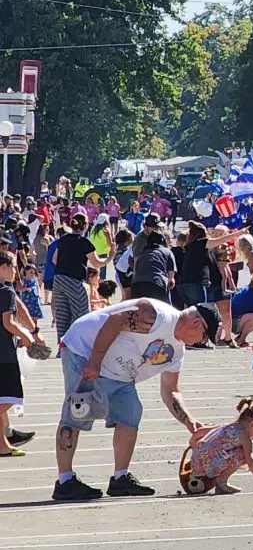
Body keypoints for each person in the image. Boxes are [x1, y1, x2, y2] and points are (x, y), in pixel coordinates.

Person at [51, 298, 220, 501]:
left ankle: (120, 478)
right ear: (196, 323)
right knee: (78, 411)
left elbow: (170, 390)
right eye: (203, 337)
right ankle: (65, 481)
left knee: (130, 413)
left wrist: (188, 420)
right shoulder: (156, 316)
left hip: (120, 373)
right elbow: (115, 321)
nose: (200, 342)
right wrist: (94, 361)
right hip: (84, 349)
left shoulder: (177, 352)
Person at [0, 252, 44, 457]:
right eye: (11, 267)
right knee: (11, 396)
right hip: (4, 354)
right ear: (2, 268)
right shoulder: (5, 292)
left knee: (2, 399)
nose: (14, 271)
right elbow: (8, 322)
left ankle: (3, 445)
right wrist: (27, 336)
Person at [188, 397, 253, 494]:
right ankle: (221, 481)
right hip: (209, 466)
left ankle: (207, 477)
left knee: (226, 451)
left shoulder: (226, 426)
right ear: (252, 425)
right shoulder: (244, 437)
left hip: (195, 464)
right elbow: (251, 461)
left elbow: (200, 431)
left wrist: (193, 445)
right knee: (243, 455)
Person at [53, 213, 110, 345]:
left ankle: (62, 345)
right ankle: (78, 344)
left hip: (59, 279)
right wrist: (110, 257)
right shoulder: (84, 242)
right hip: (74, 279)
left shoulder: (63, 239)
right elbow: (96, 263)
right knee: (81, 313)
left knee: (62, 314)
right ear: (85, 226)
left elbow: (54, 259)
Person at [129, 230, 176, 303]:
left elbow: (135, 272)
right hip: (157, 283)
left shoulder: (142, 253)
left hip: (137, 284)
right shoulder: (167, 252)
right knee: (164, 309)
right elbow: (171, 278)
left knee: (138, 311)